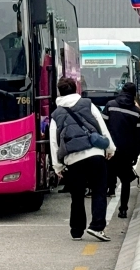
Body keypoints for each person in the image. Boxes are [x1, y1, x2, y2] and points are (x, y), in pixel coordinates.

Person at [49, 77, 117, 241]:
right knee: (99, 190)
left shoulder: (56, 114)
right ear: (75, 89)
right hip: (94, 154)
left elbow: (54, 142)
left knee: (77, 195)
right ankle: (97, 227)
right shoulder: (88, 104)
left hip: (73, 159)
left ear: (60, 92)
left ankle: (76, 230)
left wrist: (57, 167)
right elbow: (102, 127)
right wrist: (110, 148)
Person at [104, 83, 140, 218]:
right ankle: (123, 209)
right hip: (127, 151)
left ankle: (101, 210)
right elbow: (138, 137)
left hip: (110, 149)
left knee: (105, 178)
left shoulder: (110, 105)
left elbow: (102, 127)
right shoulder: (137, 112)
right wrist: (136, 154)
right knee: (125, 180)